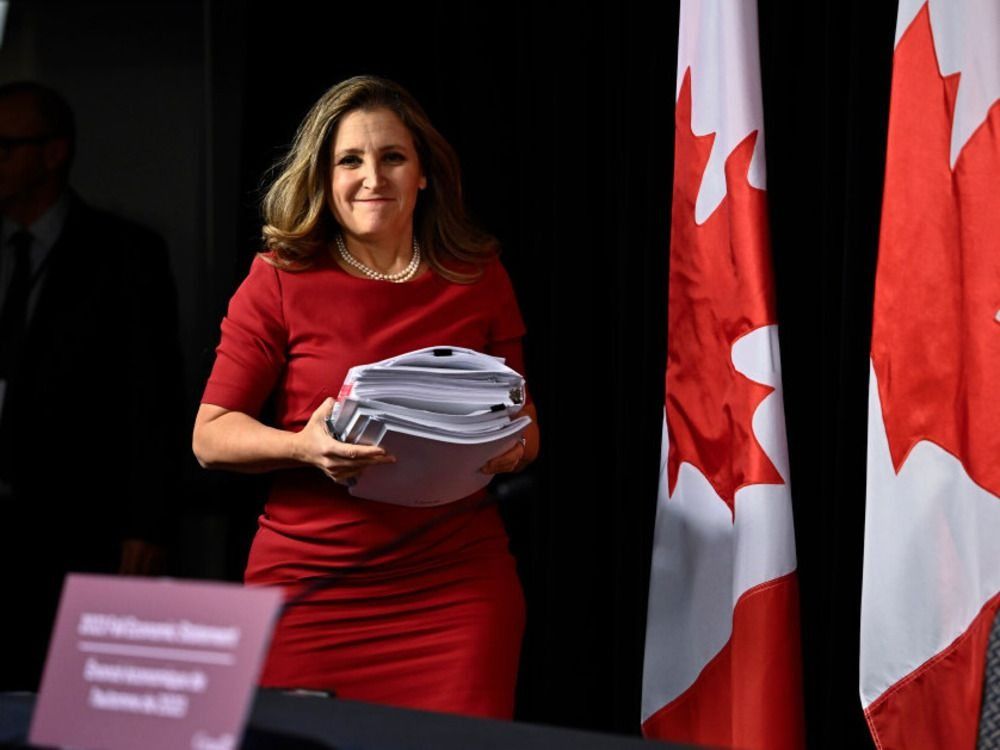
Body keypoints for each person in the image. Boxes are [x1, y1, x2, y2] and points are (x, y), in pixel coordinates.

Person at [193, 75, 539, 719]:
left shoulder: (478, 273)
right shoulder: (277, 279)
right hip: (310, 590)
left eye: (392, 157)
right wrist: (304, 448)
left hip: (457, 589)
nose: (371, 177)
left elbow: (525, 425)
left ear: (424, 174)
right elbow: (210, 435)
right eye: (349, 160)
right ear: (324, 178)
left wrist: (504, 451)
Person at [0, 81, 184, 690]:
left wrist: (147, 524)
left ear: (54, 153)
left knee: (75, 693)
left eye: (5, 146)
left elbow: (152, 397)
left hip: (81, 519)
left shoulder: (124, 254)